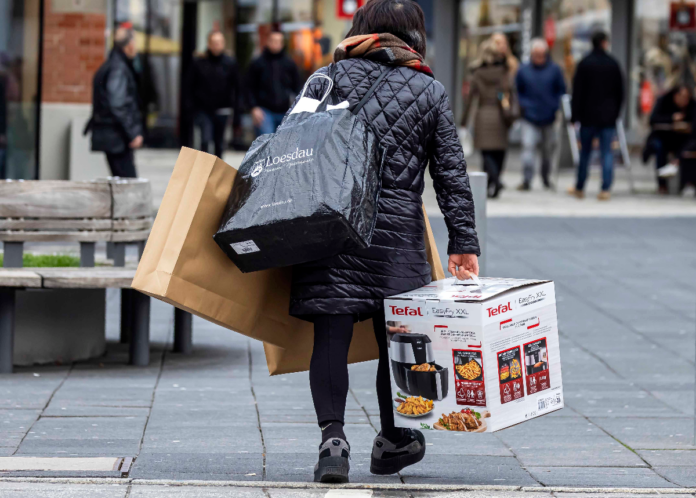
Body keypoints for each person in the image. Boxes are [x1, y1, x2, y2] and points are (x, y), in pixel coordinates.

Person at [285, 0, 480, 484]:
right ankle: (393, 438)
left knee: (330, 332)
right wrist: (463, 241)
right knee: (394, 337)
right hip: (396, 236)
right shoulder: (429, 89)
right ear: (415, 33)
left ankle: (333, 440)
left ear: (360, 29)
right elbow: (451, 174)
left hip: (331, 226)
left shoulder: (324, 80)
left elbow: (290, 146)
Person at [568, 31, 624, 201]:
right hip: (607, 118)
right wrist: (615, 114)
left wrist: (574, 116)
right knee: (607, 152)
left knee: (585, 152)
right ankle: (605, 188)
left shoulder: (585, 63)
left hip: (587, 117)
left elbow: (577, 92)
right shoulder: (612, 63)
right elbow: (620, 92)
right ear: (604, 43)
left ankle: (580, 186)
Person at [461, 38, 514, 198]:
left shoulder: (477, 73)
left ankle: (493, 181)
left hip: (483, 114)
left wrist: (464, 121)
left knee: (486, 152)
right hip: (499, 115)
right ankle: (495, 180)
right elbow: (508, 90)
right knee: (499, 151)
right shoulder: (503, 71)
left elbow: (470, 99)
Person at [87, 24, 143, 178]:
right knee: (129, 185)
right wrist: (132, 133)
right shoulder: (118, 68)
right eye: (135, 43)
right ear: (130, 45)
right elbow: (117, 104)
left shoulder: (112, 64)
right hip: (116, 138)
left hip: (113, 136)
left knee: (122, 183)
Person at [515, 38, 566, 191]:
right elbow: (518, 90)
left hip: (549, 117)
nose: (539, 58)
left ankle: (545, 177)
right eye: (536, 54)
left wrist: (555, 106)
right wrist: (524, 104)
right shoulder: (523, 70)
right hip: (529, 116)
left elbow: (561, 90)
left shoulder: (555, 70)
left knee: (547, 151)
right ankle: (527, 179)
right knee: (528, 148)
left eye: (541, 54)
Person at [187, 30, 243, 158]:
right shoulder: (199, 63)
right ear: (209, 44)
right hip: (203, 109)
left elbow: (237, 88)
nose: (217, 45)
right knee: (205, 140)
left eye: (219, 42)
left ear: (223, 44)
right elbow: (189, 86)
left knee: (219, 144)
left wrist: (237, 112)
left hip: (222, 109)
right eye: (214, 42)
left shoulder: (230, 63)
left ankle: (217, 174)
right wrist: (191, 109)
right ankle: (204, 171)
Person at [247, 30, 302, 136]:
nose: (275, 44)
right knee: (266, 144)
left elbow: (298, 86)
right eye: (273, 41)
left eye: (278, 41)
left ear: (282, 43)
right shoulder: (258, 63)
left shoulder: (289, 63)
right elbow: (249, 87)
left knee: (282, 146)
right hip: (264, 111)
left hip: (285, 111)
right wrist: (253, 107)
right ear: (267, 42)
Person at [643, 84, 695, 193]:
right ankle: (662, 184)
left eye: (686, 98)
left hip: (683, 139)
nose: (684, 101)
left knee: (688, 147)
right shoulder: (664, 101)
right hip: (663, 136)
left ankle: (686, 183)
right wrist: (671, 118)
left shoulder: (691, 105)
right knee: (659, 147)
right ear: (676, 96)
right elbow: (653, 120)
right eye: (682, 97)